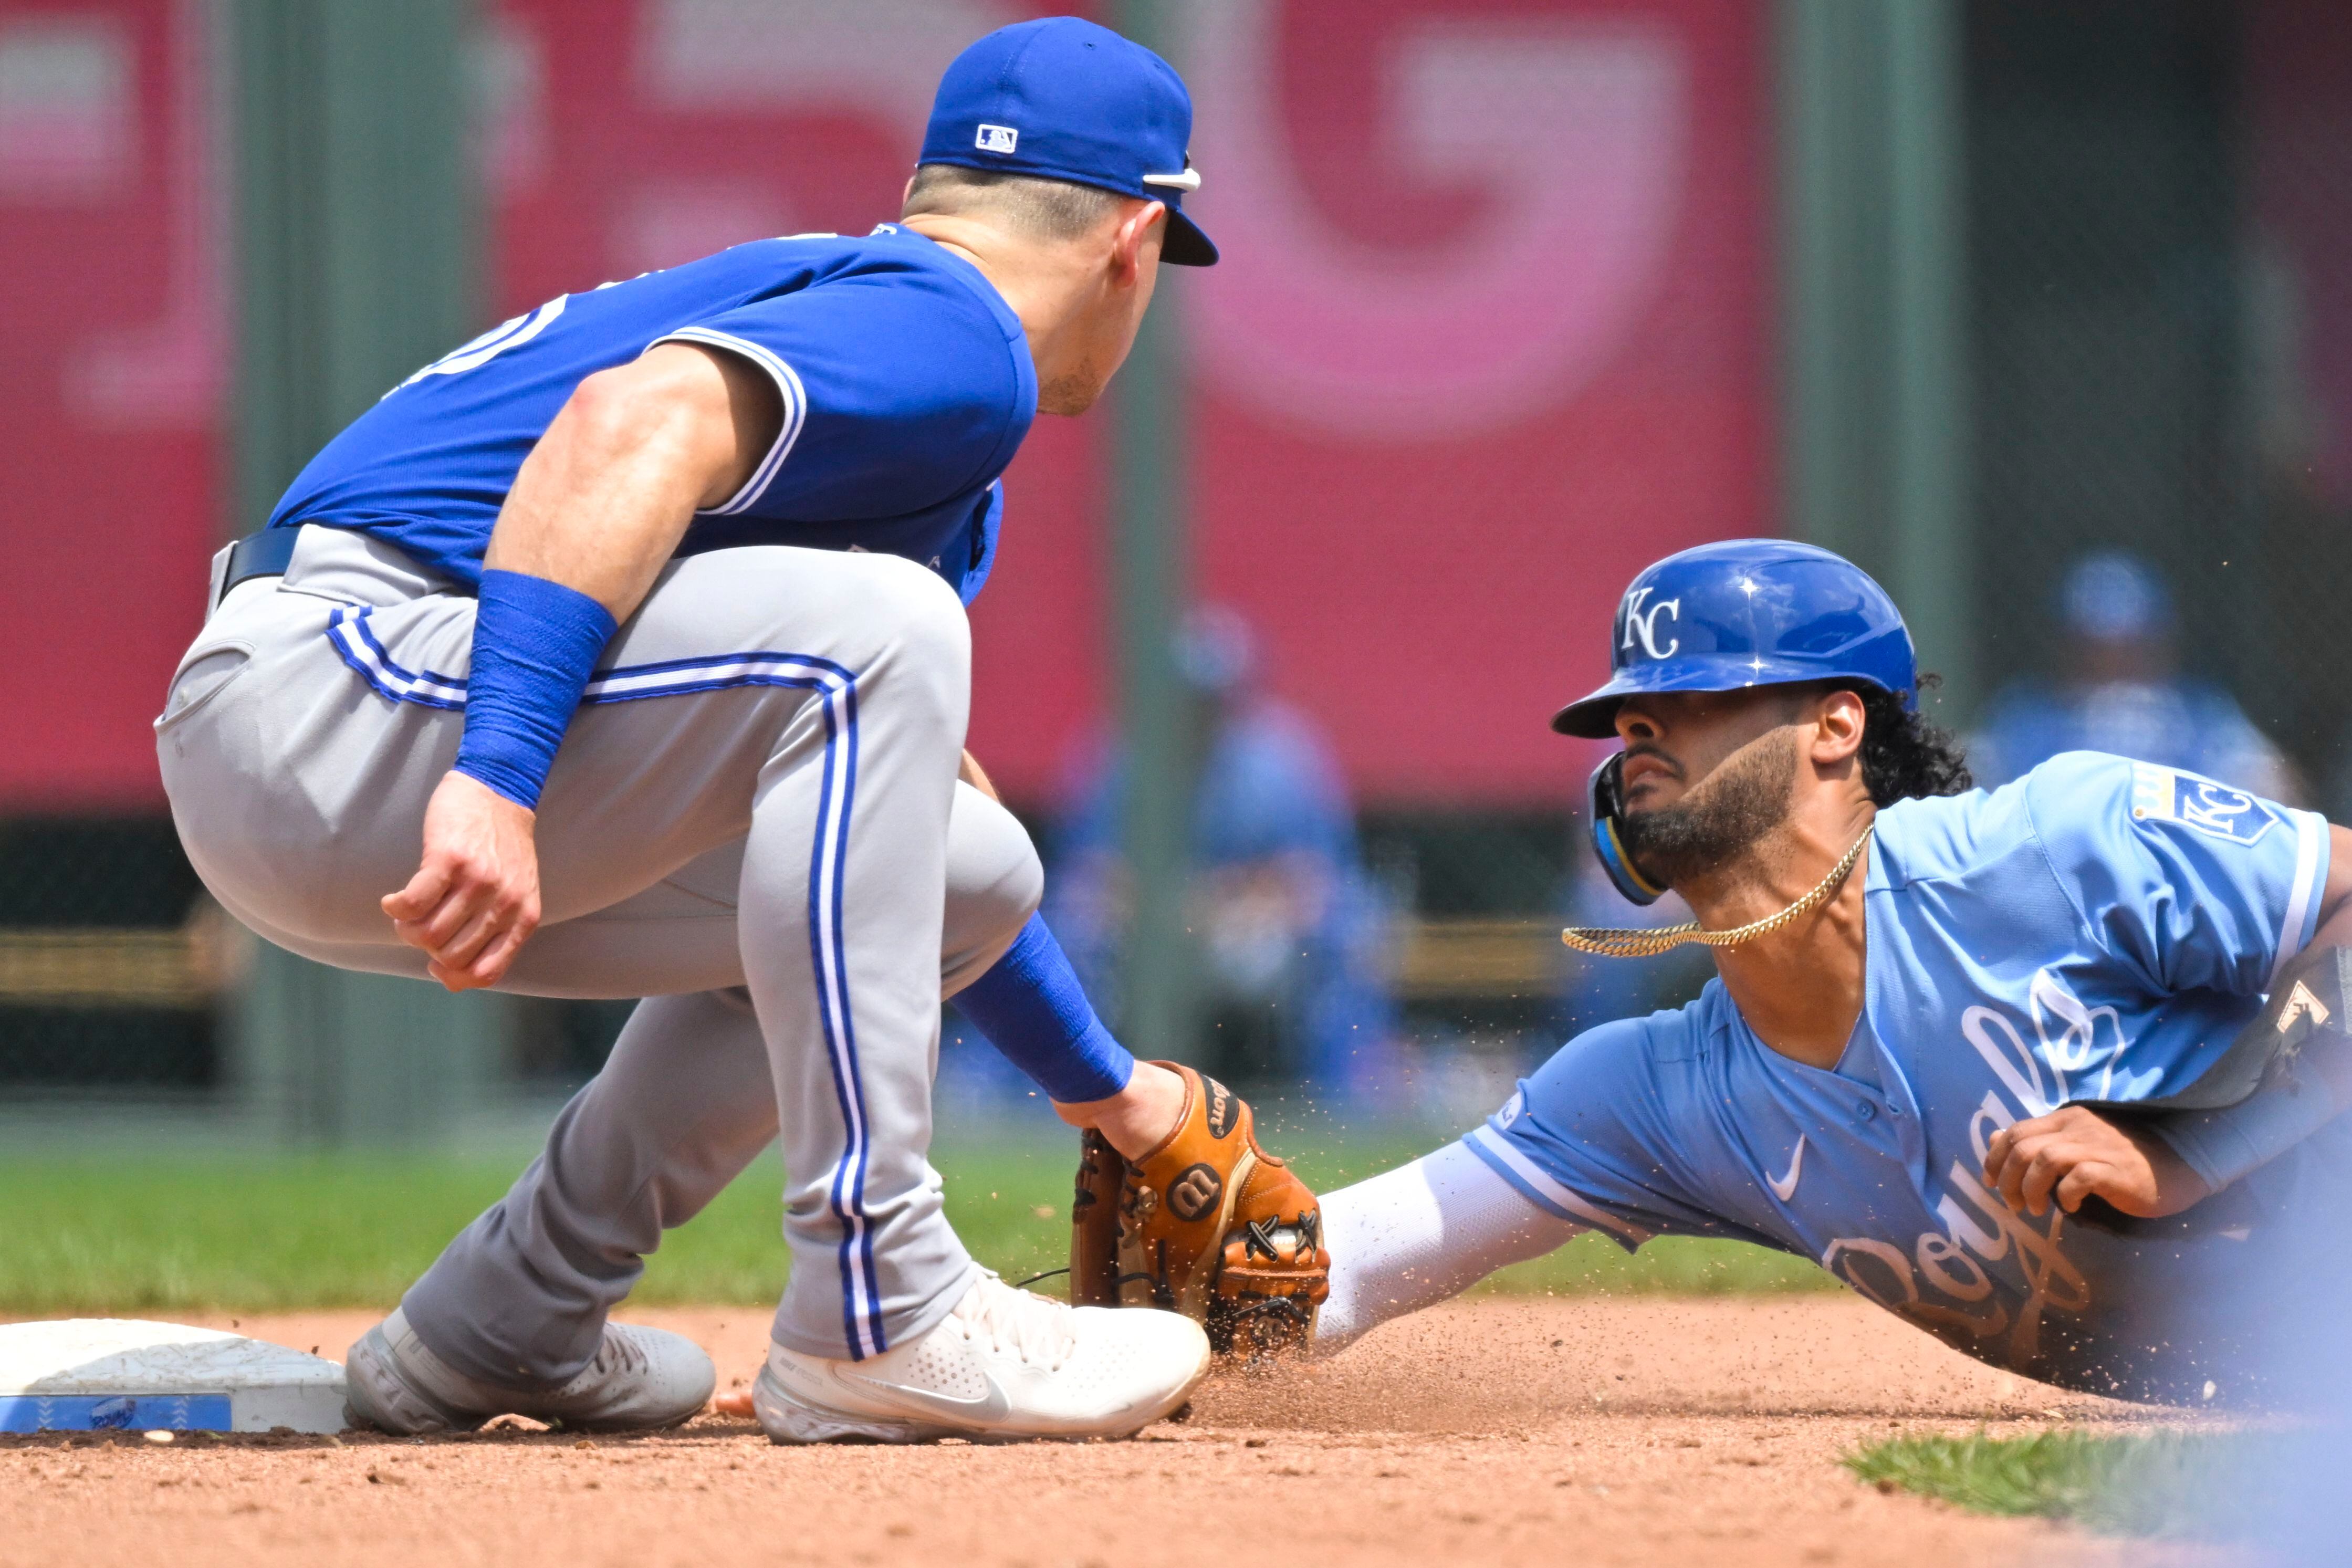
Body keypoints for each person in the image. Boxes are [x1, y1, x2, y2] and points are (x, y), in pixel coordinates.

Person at [155, 17, 1241, 1444]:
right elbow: (625, 425)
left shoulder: (867, 325)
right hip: (340, 687)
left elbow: (897, 854)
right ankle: (878, 1300)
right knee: (890, 636)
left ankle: (508, 1316)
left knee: (968, 860)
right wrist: (494, 778)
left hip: (322, 737)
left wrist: (1114, 1098)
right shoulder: (949, 328)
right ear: (1132, 241)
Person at [1282, 539, 2352, 1404]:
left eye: (1696, 693)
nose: (1637, 724)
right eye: (1627, 713)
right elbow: (1335, 1266)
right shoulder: (1652, 1098)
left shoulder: (2051, 846)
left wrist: (2194, 1141)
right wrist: (1171, 1250)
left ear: (1836, 722)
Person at [1047, 605, 1395, 1088]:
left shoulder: (1282, 759)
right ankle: (1054, 1096)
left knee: (1348, 929)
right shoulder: (1116, 754)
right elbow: (1090, 877)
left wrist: (1215, 904)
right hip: (1140, 932)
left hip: (1249, 932)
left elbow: (1311, 883)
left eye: (1211, 697)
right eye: (1188, 697)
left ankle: (1341, 1100)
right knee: (1066, 930)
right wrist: (1177, 906)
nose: (1200, 710)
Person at [1972, 550, 2293, 800]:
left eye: (2130, 644)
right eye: (2094, 647)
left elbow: (2274, 791)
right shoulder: (2029, 717)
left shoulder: (2199, 713)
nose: (2112, 661)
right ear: (2066, 646)